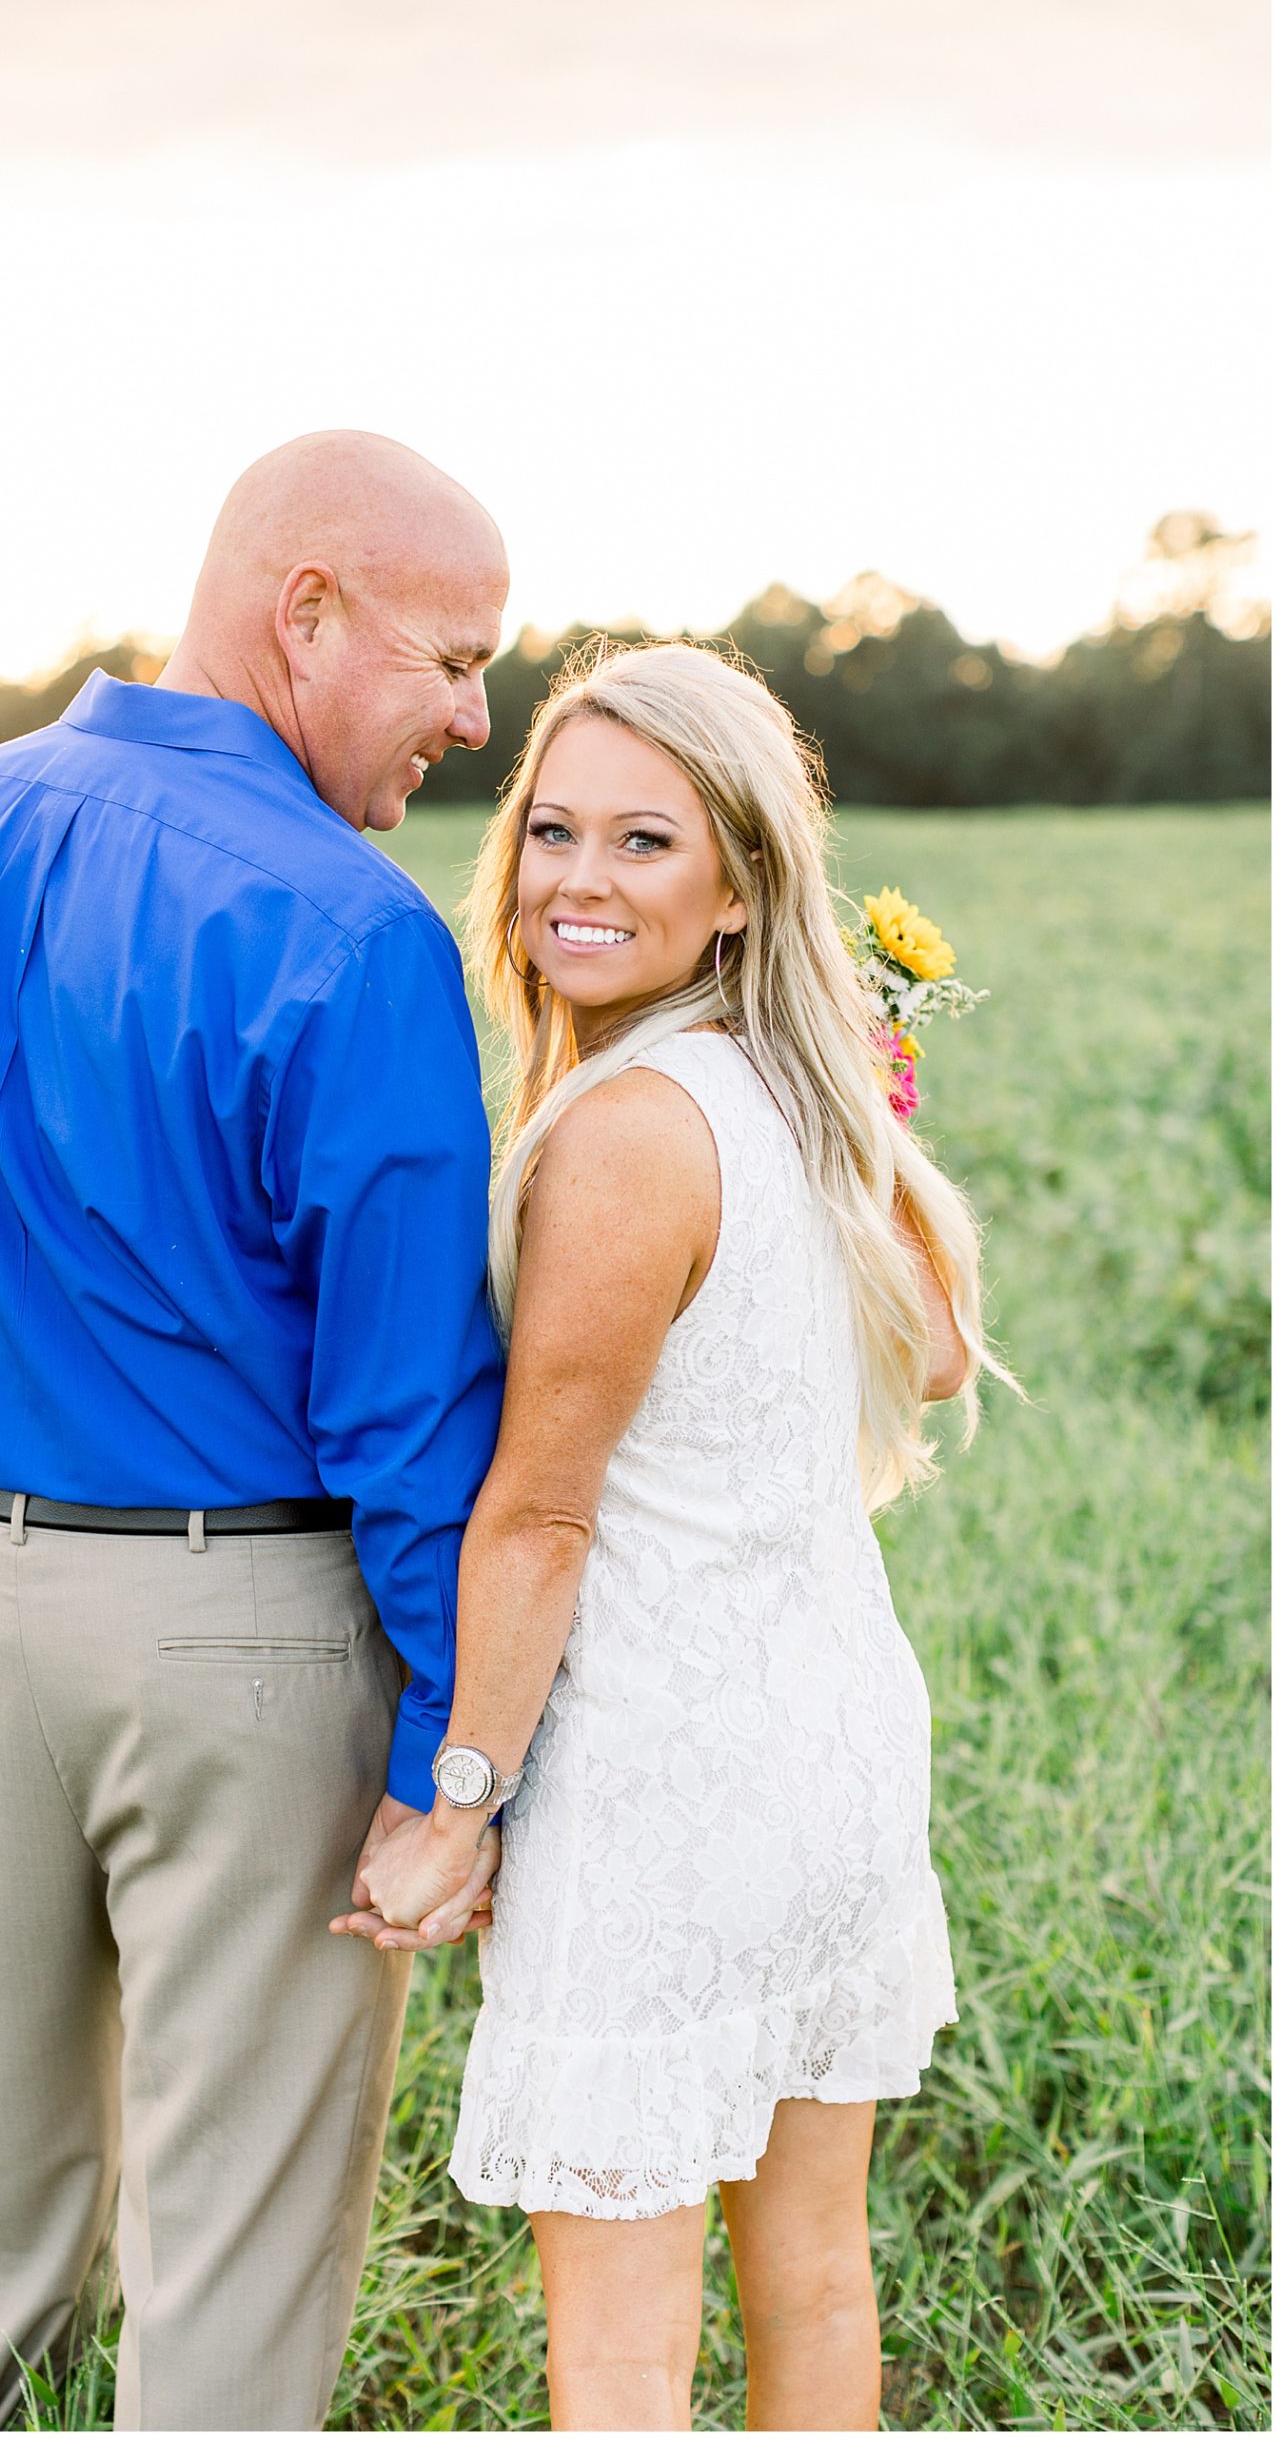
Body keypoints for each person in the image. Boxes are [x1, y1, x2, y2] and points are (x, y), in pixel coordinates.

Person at [0, 431, 509, 2431]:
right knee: (239, 2213)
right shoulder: (352, 923)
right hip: (245, 1621)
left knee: (15, 2147)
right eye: (451, 657)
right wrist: (446, 1748)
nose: (473, 720)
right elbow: (407, 1402)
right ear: (303, 612)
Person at [335, 638, 1006, 2431]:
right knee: (811, 2277)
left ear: (735, 888)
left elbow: (541, 1513)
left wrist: (454, 1800)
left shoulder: (630, 1135)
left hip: (667, 1793)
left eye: (645, 842)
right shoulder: (803, 1093)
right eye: (551, 831)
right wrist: (864, 1083)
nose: (573, 879)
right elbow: (933, 1357)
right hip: (837, 1751)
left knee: (621, 2362)